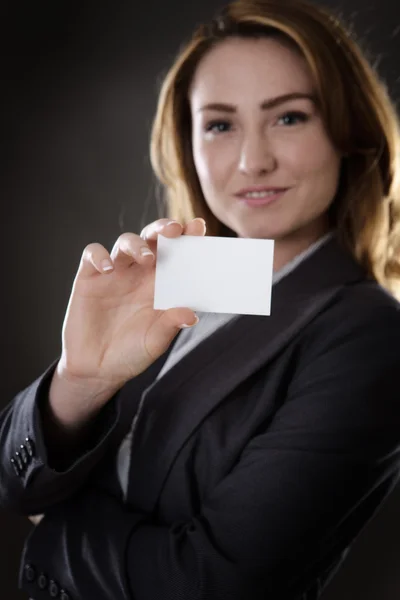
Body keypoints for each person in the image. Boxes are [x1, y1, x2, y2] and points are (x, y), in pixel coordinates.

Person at [1, 0, 400, 598]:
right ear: (187, 143)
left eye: (289, 118)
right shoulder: (170, 277)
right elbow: (16, 482)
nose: (252, 160)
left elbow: (212, 583)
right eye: (219, 124)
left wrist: (53, 525)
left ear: (349, 133)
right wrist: (79, 380)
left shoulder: (370, 334)